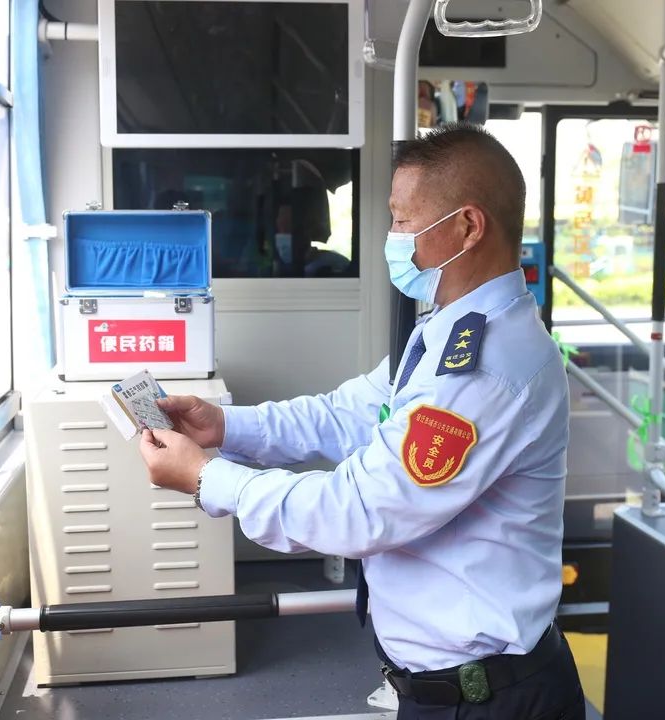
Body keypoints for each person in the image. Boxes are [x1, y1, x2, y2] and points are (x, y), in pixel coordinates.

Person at [138, 123, 585, 720]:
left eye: (403, 221)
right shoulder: (447, 332)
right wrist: (224, 427)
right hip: (453, 689)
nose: (392, 238)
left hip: (485, 701)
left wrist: (207, 478)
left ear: (468, 227)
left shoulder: (484, 370)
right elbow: (345, 412)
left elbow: (359, 511)